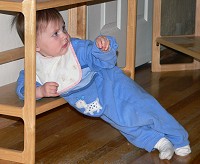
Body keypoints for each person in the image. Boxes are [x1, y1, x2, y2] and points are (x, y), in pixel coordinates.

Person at [13, 8, 191, 160]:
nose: (64, 36)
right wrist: (40, 91)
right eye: (55, 33)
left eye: (63, 28)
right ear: (35, 45)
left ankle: (179, 138)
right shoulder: (37, 66)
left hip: (113, 84)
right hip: (97, 104)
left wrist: (102, 48)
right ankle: (159, 142)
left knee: (147, 109)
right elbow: (23, 89)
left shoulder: (76, 49)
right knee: (125, 124)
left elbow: (104, 62)